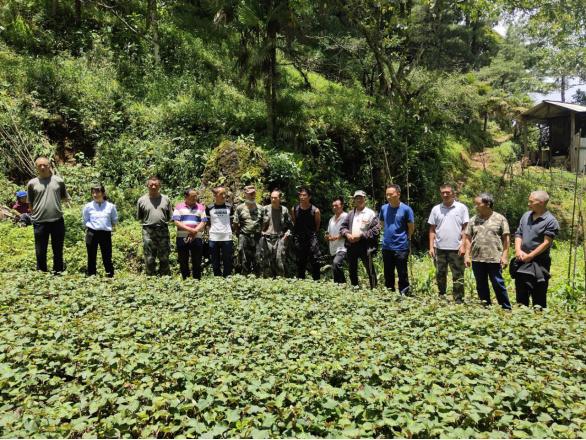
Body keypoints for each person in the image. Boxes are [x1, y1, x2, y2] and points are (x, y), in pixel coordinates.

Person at [464, 193, 511, 309]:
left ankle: (506, 308)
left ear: (487, 204)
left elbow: (506, 238)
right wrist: (466, 255)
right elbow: (468, 238)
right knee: (481, 285)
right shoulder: (473, 220)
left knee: (498, 283)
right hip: (477, 258)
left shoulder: (500, 218)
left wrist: (505, 256)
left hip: (494, 258)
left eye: (478, 204)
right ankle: (486, 307)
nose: (475, 206)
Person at [512, 191, 559, 308]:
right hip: (522, 261)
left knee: (539, 295)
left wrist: (531, 255)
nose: (529, 204)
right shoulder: (526, 216)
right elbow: (518, 234)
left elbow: (547, 242)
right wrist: (518, 250)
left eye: (531, 202)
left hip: (539, 263)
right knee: (521, 294)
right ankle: (521, 320)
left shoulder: (550, 221)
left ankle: (538, 319)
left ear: (541, 203)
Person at [428, 183, 469, 303]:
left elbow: (465, 229)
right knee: (440, 273)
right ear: (440, 194)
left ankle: (458, 299)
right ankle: (442, 295)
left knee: (458, 274)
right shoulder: (436, 209)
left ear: (453, 193)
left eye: (448, 192)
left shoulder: (461, 208)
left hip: (456, 248)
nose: (445, 195)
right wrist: (431, 247)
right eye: (443, 192)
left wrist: (463, 245)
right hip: (439, 248)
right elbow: (432, 229)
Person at [27, 156, 69, 273]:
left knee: (58, 249)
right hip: (40, 222)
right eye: (39, 165)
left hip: (57, 221)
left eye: (44, 165)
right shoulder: (32, 184)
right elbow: (30, 203)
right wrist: (35, 215)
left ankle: (58, 272)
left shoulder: (58, 181)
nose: (42, 167)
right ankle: (41, 273)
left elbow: (63, 198)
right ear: (36, 167)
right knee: (40, 251)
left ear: (49, 166)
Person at [340, 190, 380, 289]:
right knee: (352, 269)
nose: (359, 200)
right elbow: (342, 227)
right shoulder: (350, 214)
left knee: (370, 269)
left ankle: (374, 290)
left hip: (365, 246)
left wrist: (361, 235)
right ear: (354, 200)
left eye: (361, 198)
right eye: (357, 198)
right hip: (351, 245)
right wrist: (347, 234)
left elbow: (376, 230)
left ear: (365, 199)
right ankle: (355, 289)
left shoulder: (371, 213)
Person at [379, 184, 414, 294]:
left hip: (401, 247)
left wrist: (405, 238)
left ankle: (404, 294)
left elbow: (411, 227)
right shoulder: (384, 208)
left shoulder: (406, 209)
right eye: (387, 195)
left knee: (402, 273)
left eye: (391, 194)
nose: (388, 197)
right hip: (387, 246)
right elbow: (382, 223)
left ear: (398, 194)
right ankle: (389, 294)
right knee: (388, 273)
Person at [136, 176, 172, 276]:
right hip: (148, 231)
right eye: (151, 184)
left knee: (164, 256)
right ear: (147, 185)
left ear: (159, 186)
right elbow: (140, 216)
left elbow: (169, 216)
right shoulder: (141, 200)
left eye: (155, 185)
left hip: (163, 229)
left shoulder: (166, 199)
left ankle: (165, 277)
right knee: (149, 257)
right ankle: (150, 278)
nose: (153, 187)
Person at [82, 183, 118, 277]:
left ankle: (110, 276)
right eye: (93, 193)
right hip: (91, 233)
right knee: (91, 256)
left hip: (105, 233)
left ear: (103, 193)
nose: (95, 195)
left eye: (97, 193)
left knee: (107, 256)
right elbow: (85, 220)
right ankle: (91, 276)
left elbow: (114, 220)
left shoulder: (110, 206)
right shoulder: (88, 206)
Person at [172, 188, 207, 280]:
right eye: (193, 196)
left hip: (197, 237)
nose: (195, 198)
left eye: (196, 196)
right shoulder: (178, 207)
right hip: (182, 237)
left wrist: (195, 231)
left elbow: (203, 222)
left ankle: (197, 280)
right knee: (183, 260)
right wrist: (191, 230)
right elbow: (176, 221)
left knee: (197, 260)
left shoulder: (201, 207)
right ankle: (185, 279)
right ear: (186, 197)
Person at [259, 189, 293, 278]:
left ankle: (280, 281)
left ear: (280, 198)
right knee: (267, 261)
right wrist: (260, 232)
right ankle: (267, 282)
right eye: (272, 198)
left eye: (275, 198)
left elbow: (290, 225)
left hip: (280, 238)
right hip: (266, 238)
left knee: (279, 260)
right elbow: (258, 222)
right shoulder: (265, 209)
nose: (273, 199)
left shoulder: (284, 210)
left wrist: (287, 233)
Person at [291, 187, 321, 280]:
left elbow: (317, 226)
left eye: (304, 195)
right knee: (300, 262)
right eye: (300, 195)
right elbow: (294, 222)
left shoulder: (315, 210)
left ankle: (317, 282)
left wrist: (312, 234)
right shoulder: (294, 209)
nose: (302, 197)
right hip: (299, 238)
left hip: (311, 238)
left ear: (309, 197)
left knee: (315, 261)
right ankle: (301, 281)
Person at [206, 186, 234, 277]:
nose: (224, 195)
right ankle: (217, 278)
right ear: (215, 195)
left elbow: (231, 221)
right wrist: (209, 233)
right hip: (213, 237)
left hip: (227, 237)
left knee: (227, 260)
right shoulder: (209, 207)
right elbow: (207, 223)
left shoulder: (229, 207)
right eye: (221, 194)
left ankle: (227, 278)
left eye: (224, 193)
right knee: (215, 260)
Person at [234, 185, 262, 275]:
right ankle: (244, 277)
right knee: (243, 257)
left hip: (257, 237)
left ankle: (257, 278)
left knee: (258, 258)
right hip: (244, 235)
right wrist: (239, 233)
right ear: (245, 194)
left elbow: (265, 222)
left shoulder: (261, 208)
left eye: (253, 193)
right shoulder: (240, 208)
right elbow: (235, 223)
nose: (252, 195)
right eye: (250, 194)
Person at [326, 196, 348, 284]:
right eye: (333, 206)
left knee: (336, 263)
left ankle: (343, 285)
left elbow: (348, 230)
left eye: (336, 205)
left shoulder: (346, 216)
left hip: (343, 247)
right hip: (333, 247)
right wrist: (327, 236)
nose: (334, 207)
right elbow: (328, 232)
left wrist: (337, 237)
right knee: (335, 268)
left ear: (342, 206)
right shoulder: (331, 219)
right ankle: (338, 286)